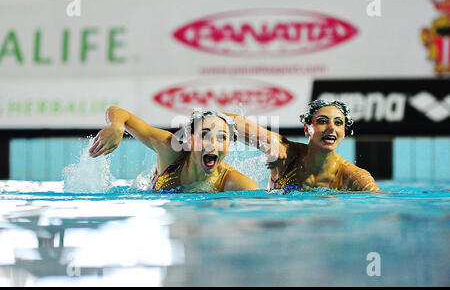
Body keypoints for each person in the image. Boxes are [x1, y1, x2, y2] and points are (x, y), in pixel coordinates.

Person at [89, 106, 260, 192]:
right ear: (190, 139)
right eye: (204, 135)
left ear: (229, 147)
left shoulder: (232, 182)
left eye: (222, 137)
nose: (212, 143)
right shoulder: (169, 149)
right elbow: (117, 111)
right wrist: (117, 126)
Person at [224, 100, 380, 192]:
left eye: (338, 123)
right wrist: (270, 140)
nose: (331, 128)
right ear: (307, 129)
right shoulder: (286, 153)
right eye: (322, 121)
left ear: (344, 132)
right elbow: (230, 121)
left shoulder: (354, 178)